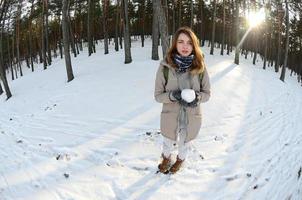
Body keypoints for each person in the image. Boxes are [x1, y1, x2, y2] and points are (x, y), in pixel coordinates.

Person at [154, 26, 211, 174]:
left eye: (189, 42)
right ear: (175, 44)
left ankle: (180, 160)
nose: (185, 46)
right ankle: (166, 158)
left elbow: (207, 94)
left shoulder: (200, 67)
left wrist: (197, 98)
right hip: (170, 115)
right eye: (181, 42)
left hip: (191, 116)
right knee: (167, 141)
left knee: (184, 143)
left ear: (194, 45)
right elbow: (158, 96)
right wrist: (173, 96)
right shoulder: (165, 67)